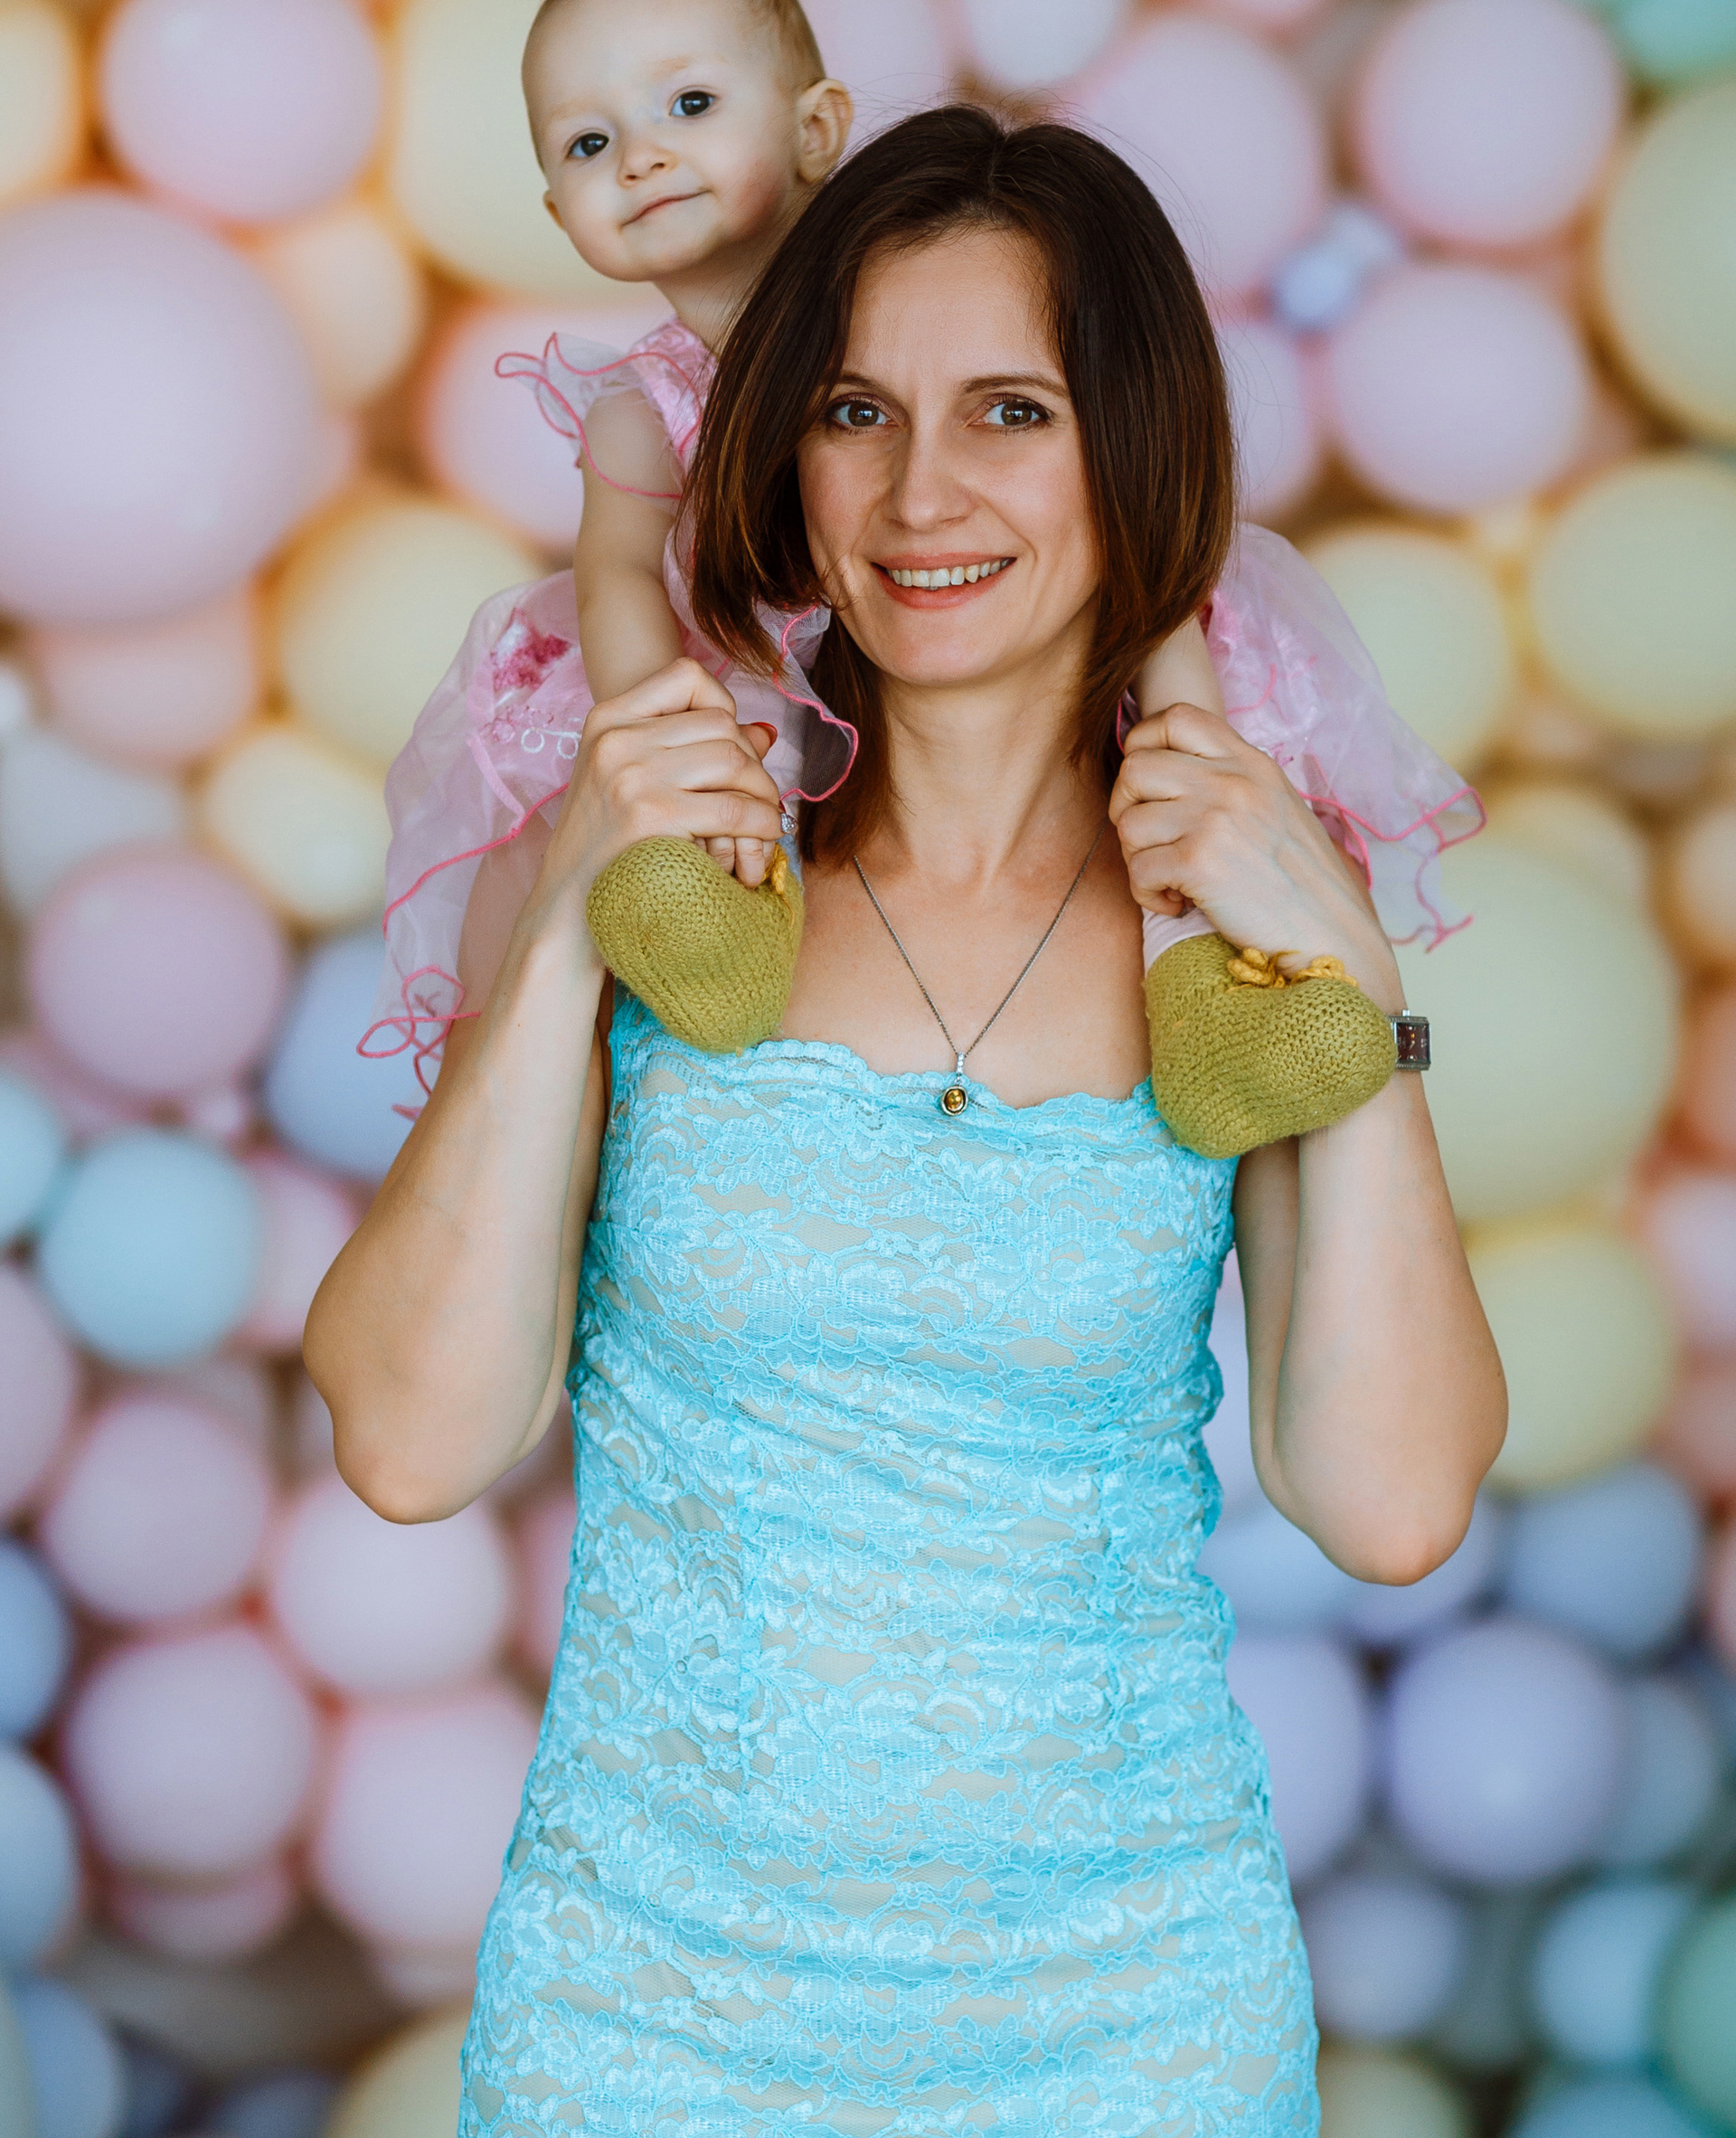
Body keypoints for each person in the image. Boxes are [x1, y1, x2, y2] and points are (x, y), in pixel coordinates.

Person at [309, 107, 1506, 2133]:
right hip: (649, 2020)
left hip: (1134, 2028)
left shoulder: (1236, 935)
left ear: (1139, 453)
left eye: (1011, 412)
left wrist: (1359, 985)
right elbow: (412, 1447)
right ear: (786, 451)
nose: (920, 492)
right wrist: (570, 910)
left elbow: (1389, 1508)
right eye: (857, 410)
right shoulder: (668, 868)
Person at [368, 0, 1475, 1155]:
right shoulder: (644, 404)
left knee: (1174, 767)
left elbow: (1116, 520)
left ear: (815, 129)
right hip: (750, 662)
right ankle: (725, 906)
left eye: (688, 105)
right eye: (588, 144)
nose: (642, 157)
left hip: (980, 659)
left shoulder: (899, 288)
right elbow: (622, 572)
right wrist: (661, 731)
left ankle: (1212, 974)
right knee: (731, 780)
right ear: (555, 210)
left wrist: (1206, 756)